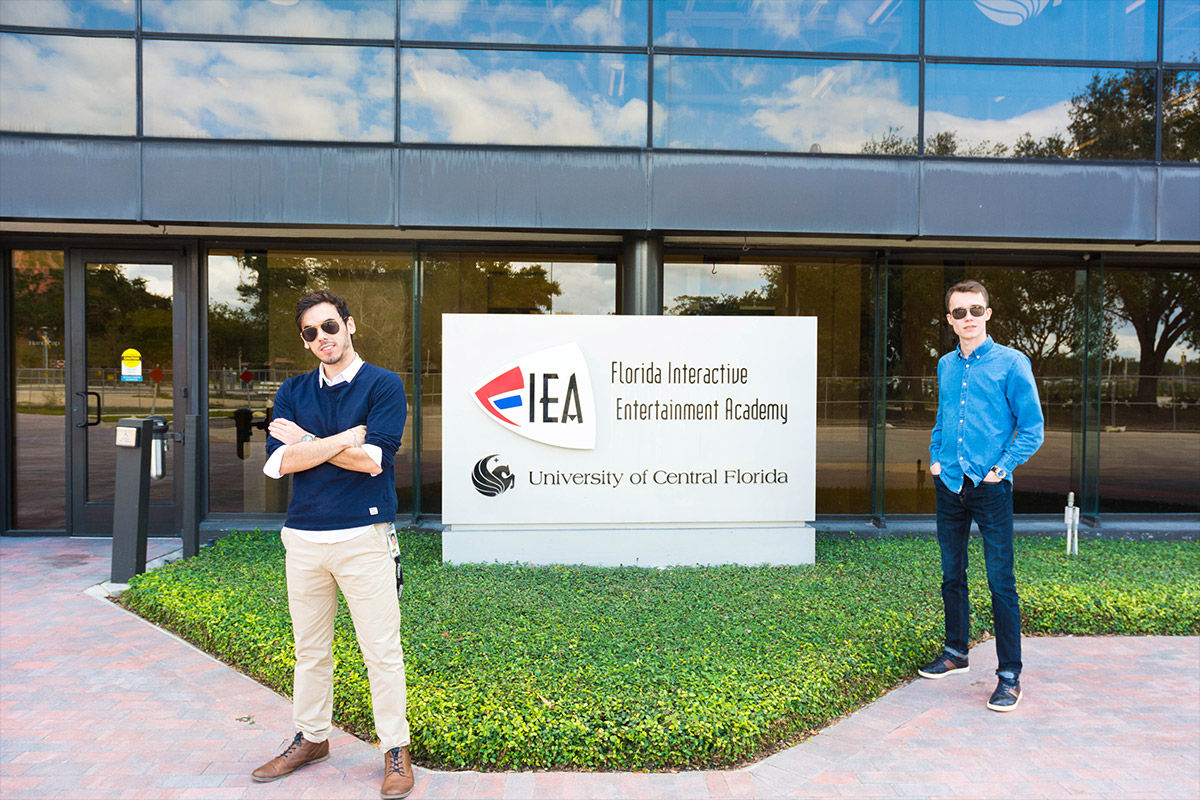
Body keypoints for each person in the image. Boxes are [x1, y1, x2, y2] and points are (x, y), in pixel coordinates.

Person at [252, 290, 414, 798]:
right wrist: (341, 439)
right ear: (304, 341)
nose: (321, 338)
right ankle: (312, 737)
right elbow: (278, 464)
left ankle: (395, 748)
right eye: (310, 332)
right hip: (302, 539)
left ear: (349, 324)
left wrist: (305, 442)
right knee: (310, 651)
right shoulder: (293, 390)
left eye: (329, 326)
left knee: (381, 652)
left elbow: (374, 461)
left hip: (364, 538)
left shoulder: (384, 385)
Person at [919, 279, 1044, 713]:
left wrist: (1000, 469)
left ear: (988, 313)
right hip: (949, 485)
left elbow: (1032, 428)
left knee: (1001, 583)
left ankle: (1009, 676)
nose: (967, 318)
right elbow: (943, 418)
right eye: (959, 312)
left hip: (990, 489)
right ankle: (956, 652)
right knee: (952, 575)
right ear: (949, 320)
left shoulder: (1012, 364)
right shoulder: (945, 365)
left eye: (975, 310)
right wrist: (936, 458)